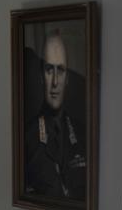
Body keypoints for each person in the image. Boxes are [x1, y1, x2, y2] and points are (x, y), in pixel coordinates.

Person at [24, 32, 86, 201]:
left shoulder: (84, 135)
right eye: (49, 70)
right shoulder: (27, 139)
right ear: (41, 77)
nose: (55, 82)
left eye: (61, 70)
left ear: (67, 79)